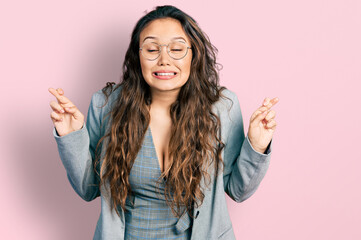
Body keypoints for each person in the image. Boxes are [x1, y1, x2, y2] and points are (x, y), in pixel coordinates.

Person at [49, 5, 278, 240]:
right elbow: (89, 188)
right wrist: (70, 135)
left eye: (177, 48)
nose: (164, 60)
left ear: (194, 55)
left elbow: (238, 191)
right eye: (151, 49)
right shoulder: (106, 105)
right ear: (138, 56)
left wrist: (257, 146)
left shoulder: (222, 107)